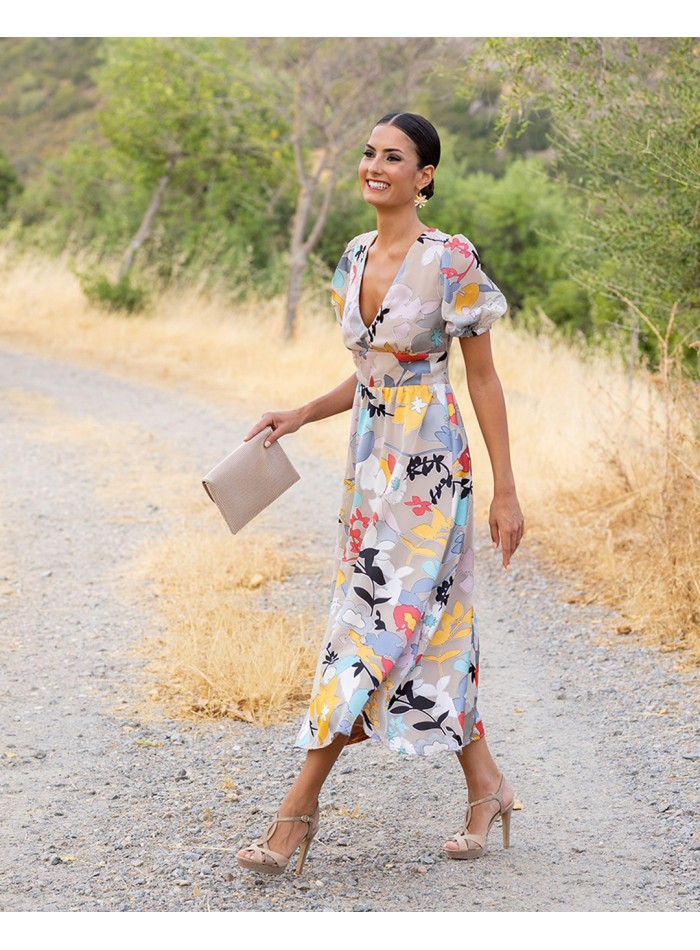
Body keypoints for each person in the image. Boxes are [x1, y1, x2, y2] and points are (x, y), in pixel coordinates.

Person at [236, 112, 524, 877]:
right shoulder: (354, 253)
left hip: (430, 470)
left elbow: (483, 378)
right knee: (425, 625)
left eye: (393, 157)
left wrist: (505, 492)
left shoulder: (450, 260)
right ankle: (486, 787)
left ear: (424, 175)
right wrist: (301, 413)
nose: (375, 166)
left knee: (365, 627)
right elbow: (371, 373)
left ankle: (296, 813)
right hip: (370, 470)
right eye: (368, 153)